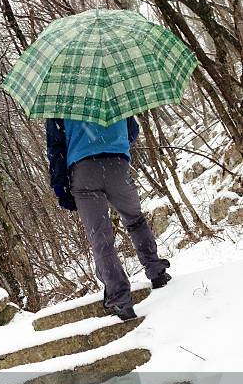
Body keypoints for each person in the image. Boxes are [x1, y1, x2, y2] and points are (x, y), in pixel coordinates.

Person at [46, 116, 171, 321]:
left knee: (101, 239)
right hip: (117, 164)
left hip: (83, 170)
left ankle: (121, 299)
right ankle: (156, 271)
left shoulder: (61, 103)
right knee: (134, 219)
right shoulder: (112, 91)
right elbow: (132, 129)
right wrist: (115, 144)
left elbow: (56, 147)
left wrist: (60, 185)